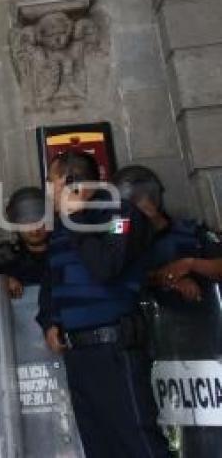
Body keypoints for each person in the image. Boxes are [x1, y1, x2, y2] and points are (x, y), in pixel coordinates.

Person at [43, 150, 170, 458]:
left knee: (137, 439)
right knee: (99, 444)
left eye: (52, 181)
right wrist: (49, 320)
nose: (49, 190)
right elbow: (52, 280)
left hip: (114, 346)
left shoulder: (120, 215)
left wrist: (74, 219)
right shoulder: (61, 228)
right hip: (77, 353)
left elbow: (106, 267)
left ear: (70, 181)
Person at [113, 165, 222, 301]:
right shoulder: (124, 244)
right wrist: (169, 280)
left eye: (141, 199)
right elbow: (124, 279)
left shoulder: (189, 230)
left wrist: (190, 264)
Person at [0, 187, 50, 297]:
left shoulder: (65, 251)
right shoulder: (4, 255)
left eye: (40, 222)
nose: (35, 230)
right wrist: (2, 281)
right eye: (26, 222)